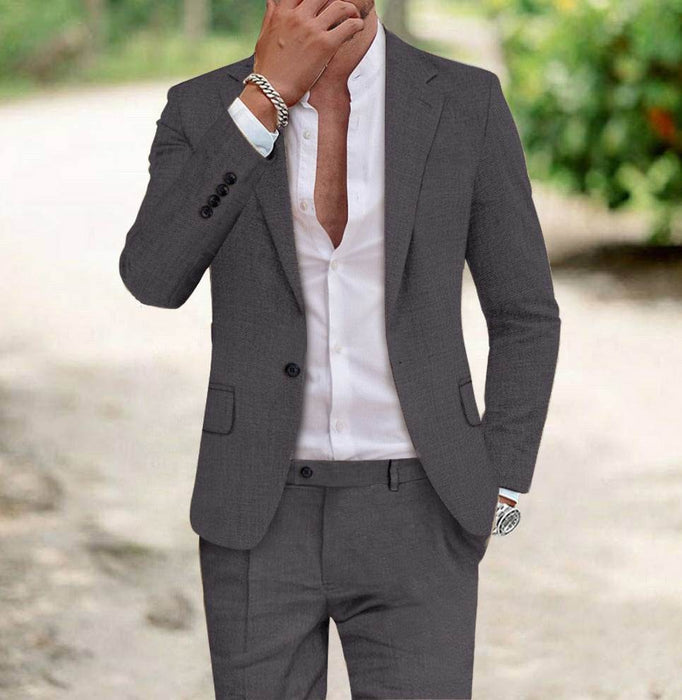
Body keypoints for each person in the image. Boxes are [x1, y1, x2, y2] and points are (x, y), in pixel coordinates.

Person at [118, 0, 561, 697]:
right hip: (256, 514)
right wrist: (263, 100)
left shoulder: (465, 102)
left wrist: (499, 484)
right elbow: (153, 276)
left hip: (422, 509)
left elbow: (525, 312)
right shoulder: (204, 110)